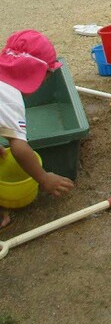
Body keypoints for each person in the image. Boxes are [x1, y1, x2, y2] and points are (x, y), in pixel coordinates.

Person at [0, 30, 74, 229]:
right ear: (36, 72)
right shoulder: (10, 97)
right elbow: (19, 148)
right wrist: (43, 178)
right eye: (47, 76)